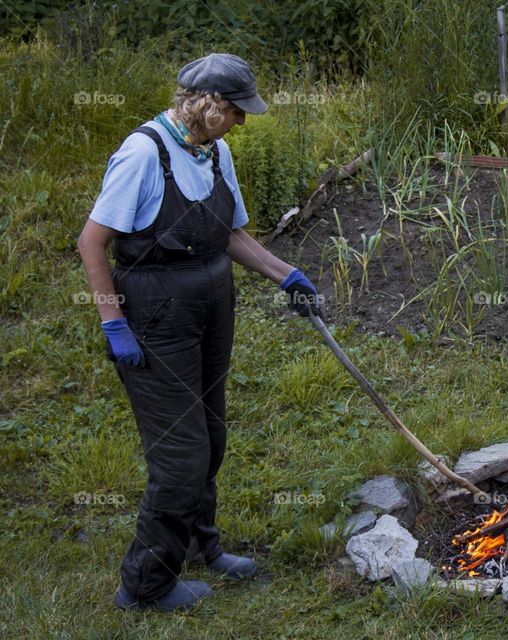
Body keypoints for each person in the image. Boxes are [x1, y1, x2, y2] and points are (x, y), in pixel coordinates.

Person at [77, 53, 322, 612]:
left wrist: (288, 277)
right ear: (209, 106)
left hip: (212, 308)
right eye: (236, 112)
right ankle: (144, 585)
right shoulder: (144, 154)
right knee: (181, 455)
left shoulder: (215, 152)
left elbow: (232, 234)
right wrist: (113, 324)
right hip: (155, 316)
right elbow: (92, 242)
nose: (241, 122)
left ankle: (195, 546)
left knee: (210, 435)